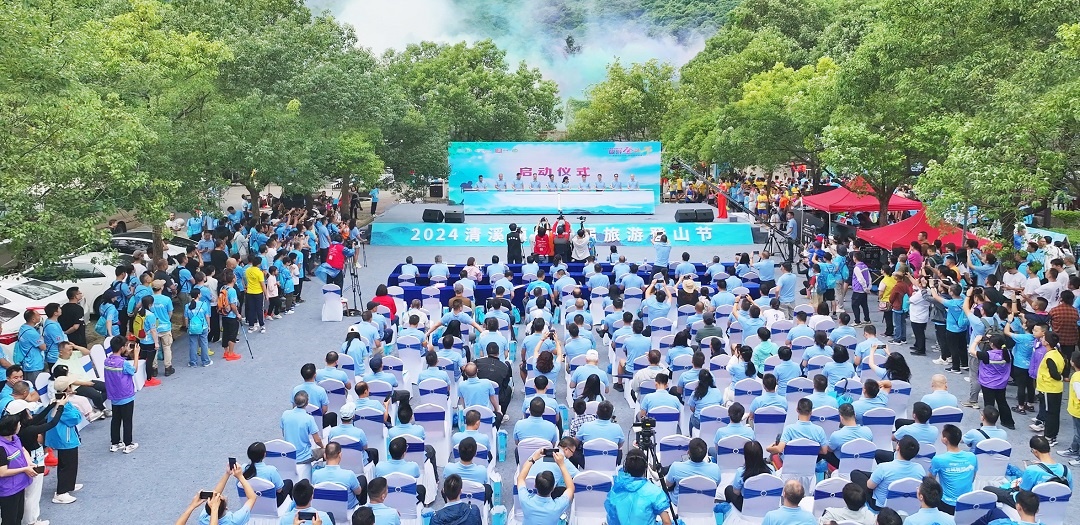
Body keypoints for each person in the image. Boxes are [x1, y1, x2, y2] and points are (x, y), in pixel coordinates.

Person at [985, 436, 1072, 506]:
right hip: (1054, 505)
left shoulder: (1032, 470)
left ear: (1034, 451)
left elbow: (1022, 492)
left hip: (1028, 505)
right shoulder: (1066, 470)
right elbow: (1068, 492)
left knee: (988, 489)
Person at [605, 448, 671, 525]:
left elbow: (612, 519)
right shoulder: (655, 491)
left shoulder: (615, 490)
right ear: (645, 468)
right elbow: (666, 522)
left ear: (625, 468)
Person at [44, 376, 83, 504]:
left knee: (69, 464)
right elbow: (75, 418)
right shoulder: (63, 405)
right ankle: (61, 492)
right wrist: (76, 411)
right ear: (67, 388)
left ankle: (69, 485)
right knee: (67, 465)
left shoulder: (58, 400)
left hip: (65, 438)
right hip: (65, 439)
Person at [0, 413, 39, 525]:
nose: (20, 426)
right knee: (9, 520)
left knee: (18, 516)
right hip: (8, 489)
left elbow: (23, 449)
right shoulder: (1, 448)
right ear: (11, 428)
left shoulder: (14, 437)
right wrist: (24, 469)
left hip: (20, 484)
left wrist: (29, 462)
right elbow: (2, 472)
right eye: (18, 424)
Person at [517, 448, 574, 523]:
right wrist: (562, 465)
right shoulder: (557, 507)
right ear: (553, 488)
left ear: (535, 485)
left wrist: (533, 458)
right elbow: (570, 488)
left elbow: (520, 478)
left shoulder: (525, 501)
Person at [930, 424, 977, 514]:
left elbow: (931, 480)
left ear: (945, 440)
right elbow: (972, 478)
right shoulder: (972, 456)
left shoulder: (938, 459)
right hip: (968, 501)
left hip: (947, 504)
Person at [311, 442, 365, 510]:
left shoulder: (316, 474)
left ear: (324, 455)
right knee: (362, 480)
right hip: (347, 508)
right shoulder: (349, 475)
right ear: (340, 455)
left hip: (325, 509)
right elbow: (358, 492)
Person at [723, 441, 774, 511]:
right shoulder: (771, 469)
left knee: (728, 489)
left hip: (746, 506)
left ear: (745, 456)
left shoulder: (741, 472)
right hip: (766, 504)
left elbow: (736, 492)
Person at [242, 441, 293, 507]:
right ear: (264, 455)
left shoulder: (243, 468)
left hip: (249, 501)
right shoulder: (271, 470)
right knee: (289, 482)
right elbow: (279, 490)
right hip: (271, 504)